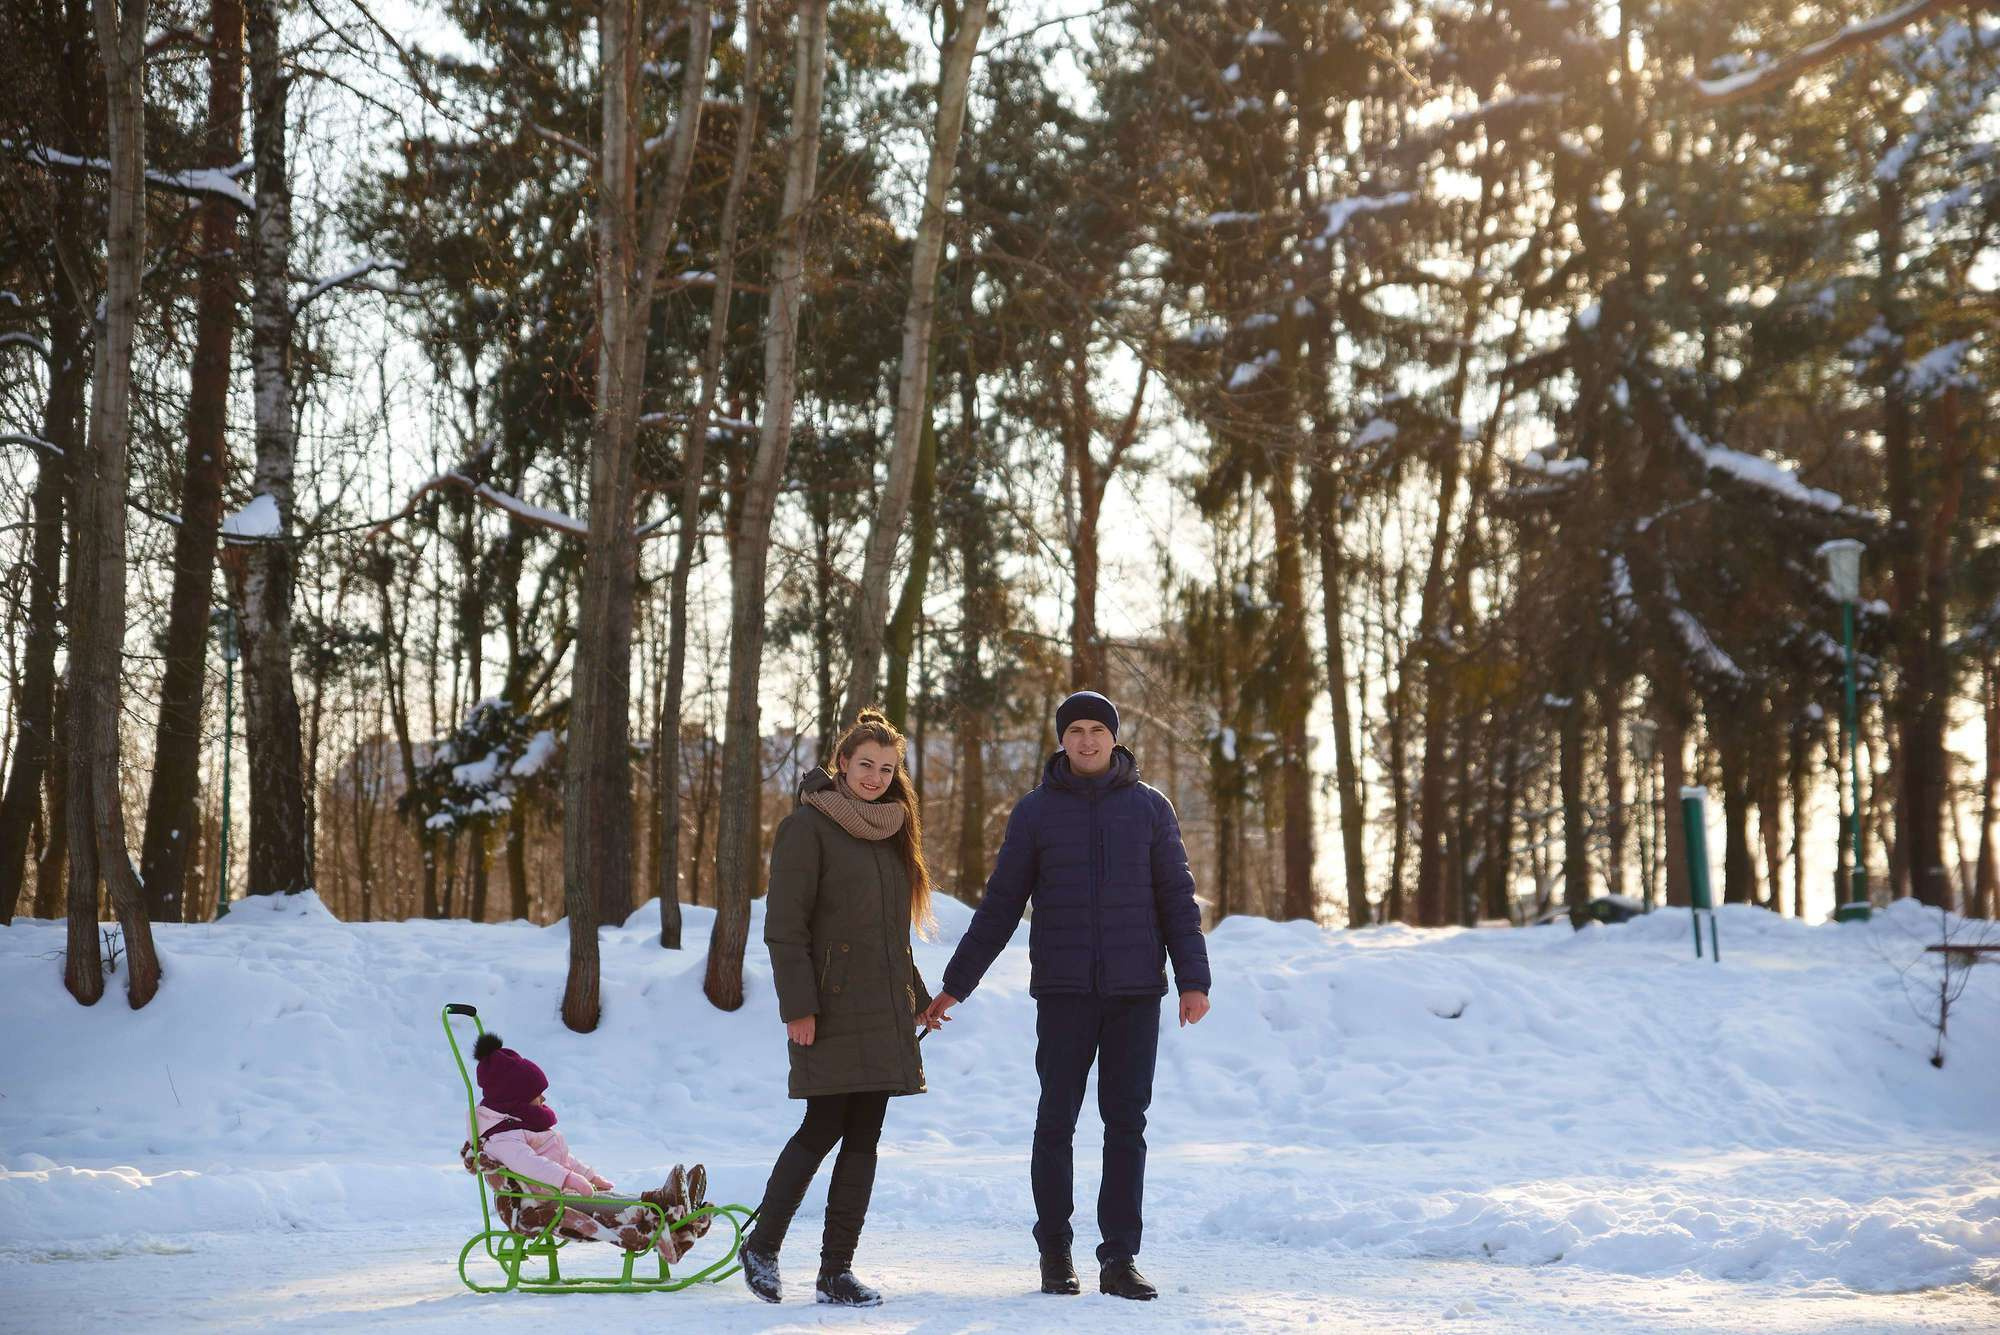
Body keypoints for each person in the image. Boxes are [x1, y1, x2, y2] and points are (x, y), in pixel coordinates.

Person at [921, 689, 1211, 1301]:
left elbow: (1177, 901)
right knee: (1056, 1121)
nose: (1086, 740)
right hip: (1064, 992)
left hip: (1136, 993)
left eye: (1095, 730)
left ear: (1113, 737)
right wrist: (954, 986)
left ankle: (1119, 1259)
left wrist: (1193, 979)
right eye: (1074, 730)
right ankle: (1055, 1253)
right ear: (1061, 740)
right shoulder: (1035, 813)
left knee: (1125, 1125)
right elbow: (1001, 905)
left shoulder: (1151, 810)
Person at [742, 708, 944, 1307]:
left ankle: (835, 1270)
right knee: (822, 1124)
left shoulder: (891, 831)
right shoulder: (808, 827)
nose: (876, 776)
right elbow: (785, 928)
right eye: (865, 765)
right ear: (841, 764)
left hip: (881, 1009)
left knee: (865, 1134)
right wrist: (797, 1007)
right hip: (827, 1008)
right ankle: (763, 1244)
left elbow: (889, 935)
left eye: (887, 768)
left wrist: (919, 997)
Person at [463, 1032, 713, 1260]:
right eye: (536, 1094)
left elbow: (564, 1159)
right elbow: (531, 1166)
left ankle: (667, 1203)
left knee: (611, 1198)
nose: (543, 1099)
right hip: (540, 1207)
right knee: (609, 1208)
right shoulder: (503, 1138)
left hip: (554, 1195)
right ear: (513, 1099)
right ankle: (664, 1213)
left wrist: (589, 1176)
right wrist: (569, 1180)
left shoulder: (519, 1127)